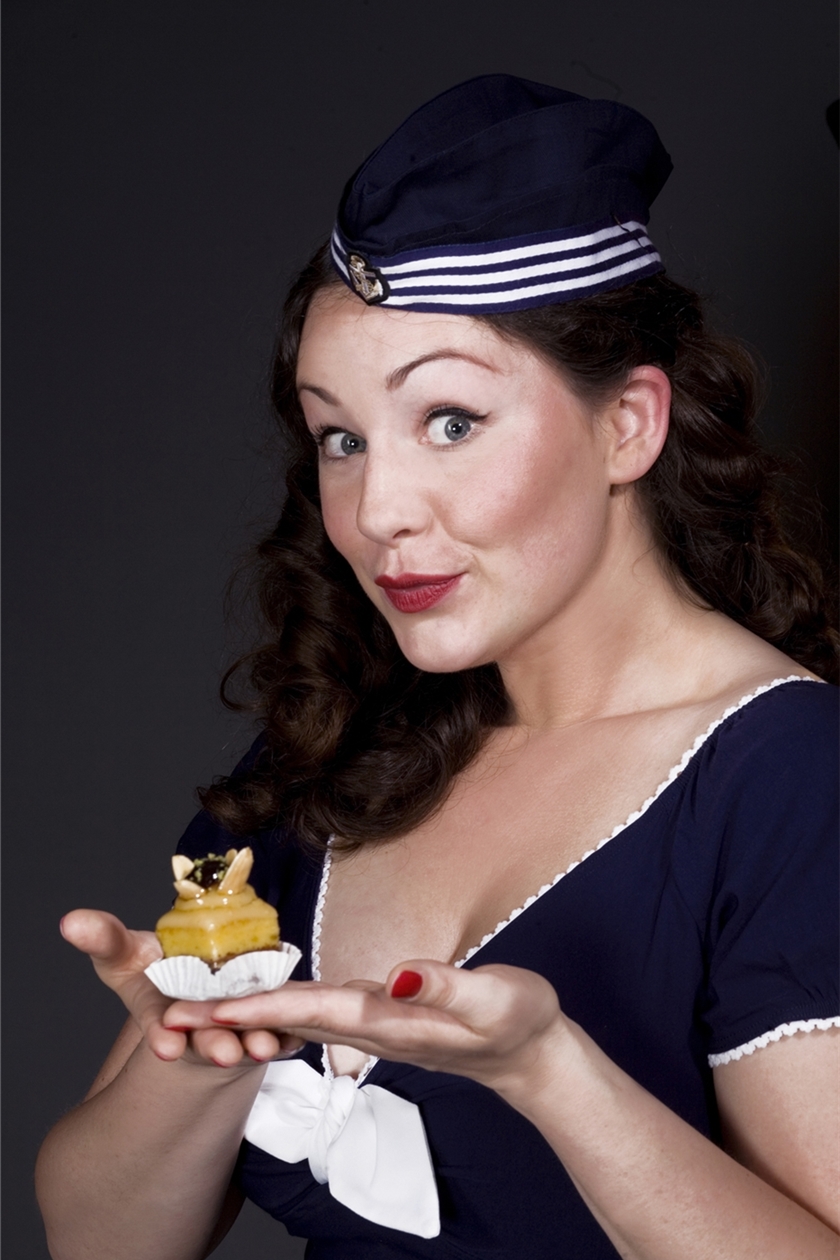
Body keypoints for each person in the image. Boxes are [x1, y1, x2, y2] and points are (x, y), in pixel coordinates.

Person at [37, 75, 839, 1260]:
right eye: (341, 438)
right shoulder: (337, 750)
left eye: (450, 422)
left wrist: (552, 1075)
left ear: (628, 424)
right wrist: (196, 1053)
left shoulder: (790, 777)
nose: (378, 511)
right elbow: (100, 1242)